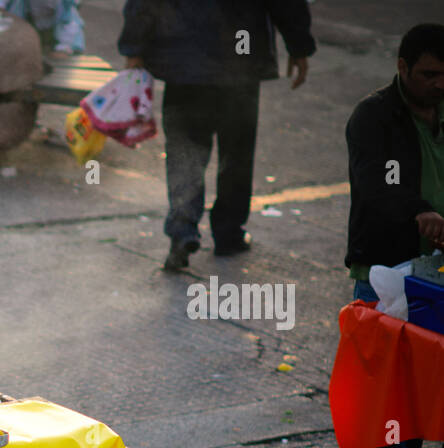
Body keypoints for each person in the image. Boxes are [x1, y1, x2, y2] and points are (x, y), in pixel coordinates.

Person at [118, 0, 315, 271]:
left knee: (185, 152)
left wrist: (134, 48)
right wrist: (299, 45)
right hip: (240, 63)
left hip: (183, 60)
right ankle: (228, 232)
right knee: (236, 153)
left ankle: (181, 231)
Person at [344, 23, 444, 448]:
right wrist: (420, 210)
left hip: (437, 269)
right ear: (402, 67)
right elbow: (376, 184)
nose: (439, 84)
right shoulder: (374, 116)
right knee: (378, 380)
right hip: (384, 266)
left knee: (422, 376)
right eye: (428, 74)